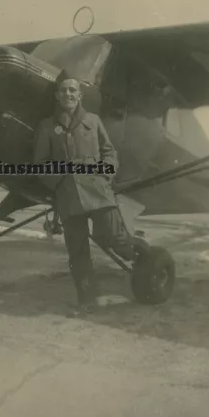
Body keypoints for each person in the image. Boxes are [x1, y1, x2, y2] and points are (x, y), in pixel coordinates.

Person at [34, 70, 131, 312]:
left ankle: (142, 256)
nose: (68, 94)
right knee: (77, 251)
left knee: (113, 237)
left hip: (97, 190)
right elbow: (40, 162)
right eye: (63, 90)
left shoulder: (94, 121)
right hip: (68, 195)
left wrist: (106, 174)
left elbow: (109, 151)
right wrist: (59, 180)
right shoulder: (46, 126)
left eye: (72, 90)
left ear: (80, 95)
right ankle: (88, 300)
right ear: (57, 96)